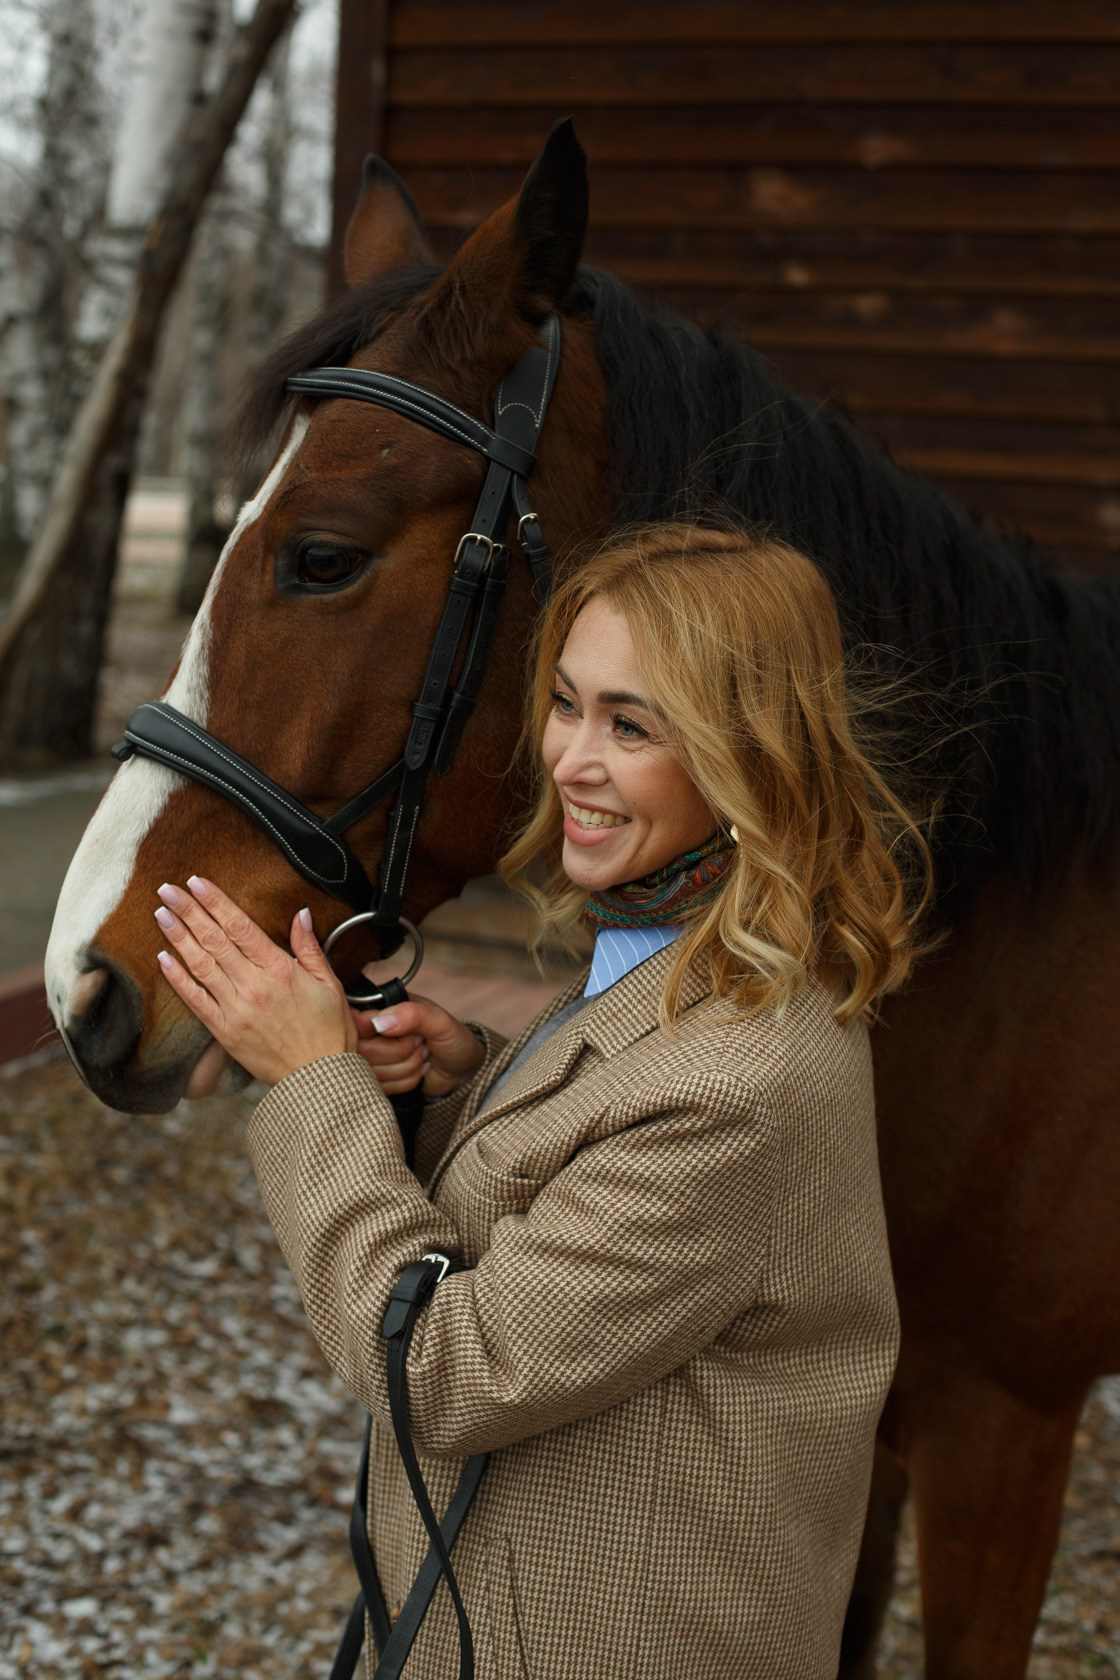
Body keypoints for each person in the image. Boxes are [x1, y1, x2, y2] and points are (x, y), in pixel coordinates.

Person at [152, 522, 932, 1680]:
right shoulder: (680, 959)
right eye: (567, 703)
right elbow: (597, 1165)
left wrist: (314, 1081)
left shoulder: (738, 1085)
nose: (569, 759)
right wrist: (466, 1083)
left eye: (632, 725)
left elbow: (442, 1372)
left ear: (748, 757)